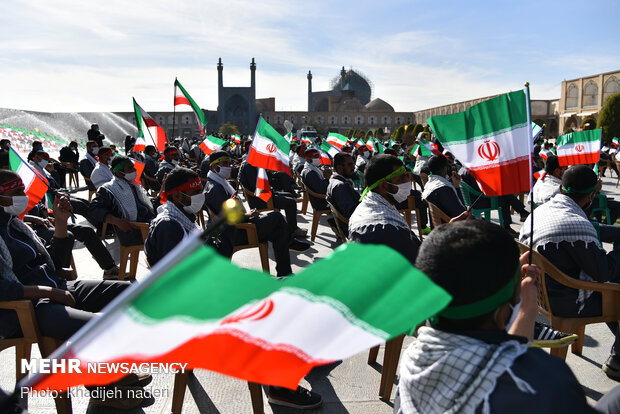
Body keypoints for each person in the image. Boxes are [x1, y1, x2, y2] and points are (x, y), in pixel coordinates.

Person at [395, 219, 620, 414]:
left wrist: (526, 309)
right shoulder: (540, 381)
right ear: (504, 311)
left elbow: (502, 352)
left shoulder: (414, 360)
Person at [519, 165, 620, 380]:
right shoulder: (576, 224)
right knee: (616, 286)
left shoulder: (541, 211)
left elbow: (582, 233)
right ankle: (617, 360)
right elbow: (604, 273)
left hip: (540, 295)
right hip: (568, 301)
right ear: (592, 194)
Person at [349, 154, 421, 265]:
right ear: (384, 186)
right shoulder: (384, 230)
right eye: (402, 178)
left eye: (406, 175)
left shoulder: (375, 202)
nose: (408, 180)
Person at [89, 156, 155, 247]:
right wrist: (118, 222)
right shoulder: (109, 189)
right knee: (169, 231)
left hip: (148, 223)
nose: (134, 169)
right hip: (134, 231)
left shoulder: (133, 184)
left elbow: (144, 203)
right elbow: (94, 208)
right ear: (119, 173)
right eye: (130, 168)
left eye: (133, 167)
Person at [145, 167, 203, 266]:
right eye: (195, 192)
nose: (201, 196)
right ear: (177, 196)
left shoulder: (185, 215)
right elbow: (175, 270)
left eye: (201, 191)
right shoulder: (168, 226)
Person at [239, 161, 308, 238]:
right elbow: (256, 186)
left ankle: (289, 227)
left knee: (289, 195)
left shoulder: (254, 164)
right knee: (291, 202)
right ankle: (293, 230)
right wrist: (270, 189)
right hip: (261, 199)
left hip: (264, 195)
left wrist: (267, 171)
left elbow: (266, 179)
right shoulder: (249, 166)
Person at [421, 154, 466, 218]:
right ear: (445, 168)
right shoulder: (443, 188)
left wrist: (456, 186)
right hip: (453, 226)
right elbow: (460, 213)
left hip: (442, 225)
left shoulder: (430, 184)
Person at [327, 153, 360, 236]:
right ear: (339, 168)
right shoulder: (340, 186)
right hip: (355, 228)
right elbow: (351, 213)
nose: (353, 167)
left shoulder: (338, 181)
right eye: (350, 165)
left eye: (353, 164)